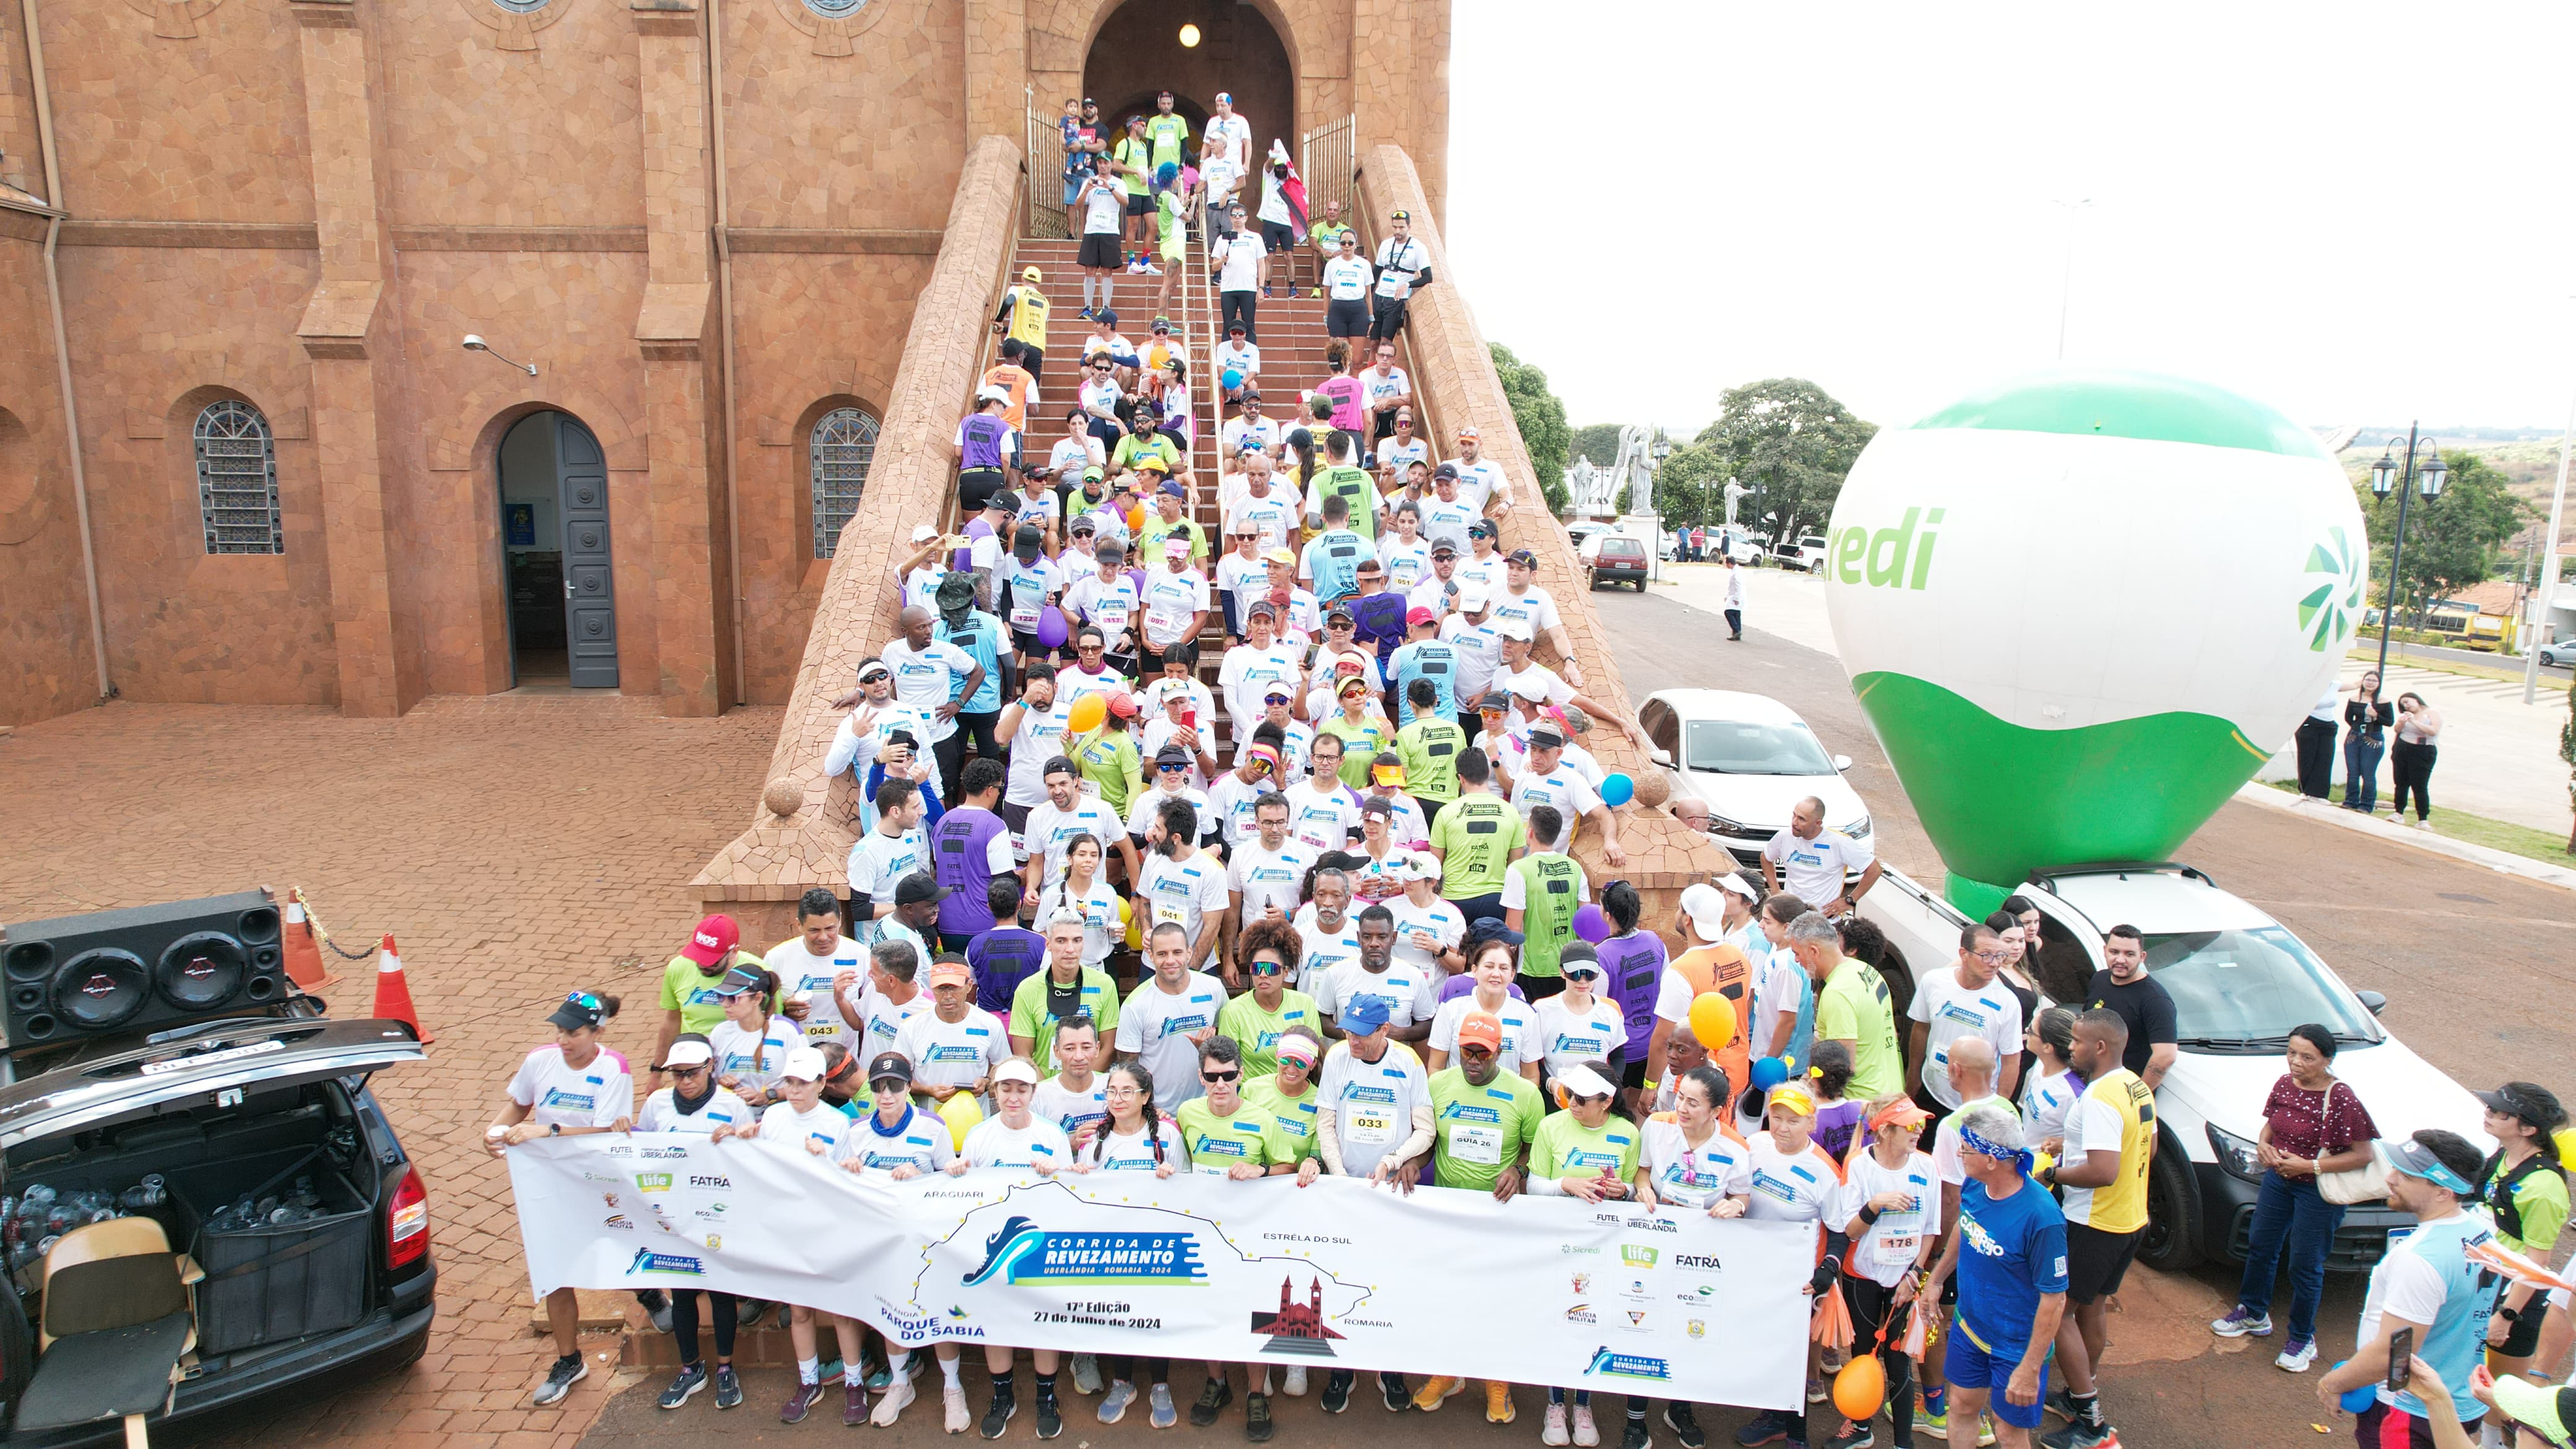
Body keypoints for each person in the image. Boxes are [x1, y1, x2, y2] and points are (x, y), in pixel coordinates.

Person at [2210, 1025, 2382, 1370]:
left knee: (2305, 1264)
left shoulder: (2341, 1098)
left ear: (2327, 1060)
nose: (2296, 1062)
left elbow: (2363, 1154)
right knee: (2261, 1246)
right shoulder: (2285, 1084)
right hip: (2278, 1181)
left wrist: (2312, 1165)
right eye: (2292, 1053)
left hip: (2317, 1191)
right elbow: (2270, 1126)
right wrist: (2263, 1145)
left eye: (2307, 1057)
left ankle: (2302, 1339)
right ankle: (2253, 1312)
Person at [2313, 1132, 2500, 1449]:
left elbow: (2393, 1353)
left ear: (2443, 1192)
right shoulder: (2481, 1231)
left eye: (2408, 1175)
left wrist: (2333, 1384)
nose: (2391, 1178)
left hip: (2408, 1408)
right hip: (2459, 1398)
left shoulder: (2418, 1258)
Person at [494, 991, 633, 1407]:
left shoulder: (614, 1068)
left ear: (597, 1032)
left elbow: (607, 1130)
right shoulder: (539, 1060)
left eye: (572, 1032)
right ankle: (569, 1360)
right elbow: (517, 1107)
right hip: (548, 1181)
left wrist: (549, 1130)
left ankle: (645, 1294)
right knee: (555, 1271)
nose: (563, 1040)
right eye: (559, 1030)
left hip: (599, 1178)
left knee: (626, 1244)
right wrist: (494, 1132)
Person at [1410, 1009, 1547, 1424]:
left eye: (1481, 1053)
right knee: (1450, 1296)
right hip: (1450, 1211)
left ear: (1499, 1052)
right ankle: (1448, 1373)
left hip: (1500, 1214)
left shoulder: (1524, 1094)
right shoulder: (1437, 1085)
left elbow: (1534, 1151)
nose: (1472, 1059)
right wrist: (1414, 1162)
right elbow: (1428, 1140)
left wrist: (1518, 1169)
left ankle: (1496, 1382)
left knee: (1498, 1301)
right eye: (1466, 1050)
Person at [2032, 1010, 2155, 1448]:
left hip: (2094, 1222)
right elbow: (2146, 1143)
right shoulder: (2135, 1084)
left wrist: (2054, 1176)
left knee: (2060, 1311)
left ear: (2100, 1048)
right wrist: (2075, 1143)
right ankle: (2079, 1393)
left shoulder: (2100, 1096)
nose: (2072, 1047)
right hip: (2130, 1220)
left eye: (2079, 1041)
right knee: (2094, 1307)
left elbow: (2103, 1170)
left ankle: (2092, 1423)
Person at [1921, 1107, 2067, 1449]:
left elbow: (2055, 1299)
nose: (1959, 1154)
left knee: (2008, 1430)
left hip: (2017, 1347)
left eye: (1966, 1150)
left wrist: (2030, 1369)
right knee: (1960, 1405)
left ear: (1992, 1160)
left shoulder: (2043, 1218)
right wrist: (1937, 1278)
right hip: (1970, 1327)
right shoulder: (1976, 1185)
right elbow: (1965, 1226)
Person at [1175, 1035, 1294, 1437]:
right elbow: (1179, 1163)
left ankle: (1255, 1394)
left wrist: (1260, 1170)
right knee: (1211, 1311)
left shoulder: (1262, 1119)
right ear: (1201, 1077)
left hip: (1249, 1236)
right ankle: (1217, 1383)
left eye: (1228, 1075)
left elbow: (1287, 1165)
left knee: (1251, 1314)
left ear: (1241, 1075)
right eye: (1213, 1076)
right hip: (1204, 1232)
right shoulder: (1188, 1113)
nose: (1221, 1084)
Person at [631, 1035, 752, 1411]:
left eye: (692, 1073)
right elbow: (643, 1149)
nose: (684, 1081)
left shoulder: (731, 1105)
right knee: (682, 1291)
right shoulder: (656, 1104)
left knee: (720, 1292)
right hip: (674, 1215)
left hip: (717, 1212)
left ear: (710, 1067)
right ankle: (690, 1368)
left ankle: (725, 1368)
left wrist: (735, 1139)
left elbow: (751, 1155)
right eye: (677, 1074)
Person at [1069, 1061, 1191, 1426]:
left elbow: (1187, 1190)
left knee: (1155, 1313)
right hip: (1112, 1247)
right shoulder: (1095, 1143)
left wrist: (1171, 1178)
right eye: (1111, 1092)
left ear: (1146, 1096)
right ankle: (1122, 1382)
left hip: (1156, 1245)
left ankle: (1159, 1385)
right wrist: (1079, 1176)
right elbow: (1082, 1201)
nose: (1117, 1099)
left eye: (1126, 1092)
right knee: (1118, 1313)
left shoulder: (1167, 1137)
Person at [1827, 1097, 1941, 1449]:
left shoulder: (1926, 1166)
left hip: (1906, 1280)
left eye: (1920, 1123)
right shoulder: (1859, 1166)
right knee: (1863, 1352)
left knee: (1899, 1362)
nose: (1919, 1130)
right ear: (1885, 1131)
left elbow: (1931, 1230)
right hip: (1863, 1276)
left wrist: (1915, 1274)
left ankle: (1903, 1443)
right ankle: (1861, 1429)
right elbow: (1850, 1231)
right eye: (1910, 1125)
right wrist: (1876, 1205)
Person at [2476, 1082, 2570, 1385]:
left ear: (2528, 1129)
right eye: (2490, 1107)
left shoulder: (2543, 1188)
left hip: (2514, 1296)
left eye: (2500, 1112)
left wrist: (2506, 1316)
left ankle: (2504, 1436)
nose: (2488, 1113)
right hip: (2487, 1279)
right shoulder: (2505, 1153)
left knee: (2503, 1391)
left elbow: (2537, 1262)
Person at [1908, 923, 2025, 1119]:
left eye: (1999, 956)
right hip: (1931, 1090)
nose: (1995, 963)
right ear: (1964, 954)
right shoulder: (1934, 981)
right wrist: (1913, 1076)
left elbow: (2011, 1060)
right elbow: (1921, 1028)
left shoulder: (2008, 1002)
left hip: (1977, 1106)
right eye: (1986, 955)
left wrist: (1997, 1106)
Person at [1791, 910, 1905, 1102]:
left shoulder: (1838, 993)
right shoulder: (1866, 971)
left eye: (1797, 953)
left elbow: (1843, 1069)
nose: (1796, 960)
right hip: (1890, 1091)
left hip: (1862, 1105)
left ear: (1814, 951)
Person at [1118, 922, 1229, 1111]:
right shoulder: (1135, 1004)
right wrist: (1146, 1109)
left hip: (1207, 1107)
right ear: (1151, 956)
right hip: (1160, 1113)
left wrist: (1209, 1049)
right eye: (1162, 954)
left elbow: (1228, 1042)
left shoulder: (1214, 989)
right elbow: (1128, 1069)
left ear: (1189, 952)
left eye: (1177, 952)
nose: (1170, 960)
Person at [1666, 881, 1755, 1105]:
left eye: (1680, 909)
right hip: (1736, 1069)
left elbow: (1664, 1035)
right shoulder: (1739, 956)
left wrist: (1649, 1084)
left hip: (1695, 1082)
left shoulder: (1681, 970)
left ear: (1687, 919)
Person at [1009, 905, 1122, 1073]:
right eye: (1061, 941)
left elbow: (1108, 1048)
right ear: (1048, 944)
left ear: (1083, 943)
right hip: (1044, 1090)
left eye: (1076, 940)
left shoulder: (1104, 985)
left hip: (1090, 1090)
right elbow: (1023, 1054)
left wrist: (1082, 1086)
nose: (1070, 949)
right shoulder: (1027, 989)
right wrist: (1047, 1090)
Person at [1503, 806, 1587, 995]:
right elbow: (1585, 922)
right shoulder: (1576, 868)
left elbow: (1513, 928)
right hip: (1568, 966)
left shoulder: (1519, 870)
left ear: (1530, 832)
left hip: (1533, 968)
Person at [1427, 936, 1539, 1075]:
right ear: (1475, 970)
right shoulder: (1451, 1008)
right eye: (1489, 966)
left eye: (1503, 968)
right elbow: (1436, 1068)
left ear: (1512, 975)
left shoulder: (1527, 1014)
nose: (1496, 974)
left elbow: (1531, 1075)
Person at [2081, 925, 2176, 1087]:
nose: (2120, 960)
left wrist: (2135, 1095)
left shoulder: (2155, 1000)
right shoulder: (2099, 979)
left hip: (2122, 1093)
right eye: (2114, 952)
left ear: (2142, 957)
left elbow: (2166, 1055)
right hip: (2090, 1084)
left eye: (2129, 954)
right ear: (2105, 951)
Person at [1761, 797, 1879, 918]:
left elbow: (1874, 869)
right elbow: (1766, 857)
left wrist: (1850, 901)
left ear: (1818, 823)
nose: (1794, 822)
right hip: (1790, 916)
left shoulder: (1839, 842)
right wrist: (1775, 890)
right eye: (1794, 815)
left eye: (1802, 819)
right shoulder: (1784, 836)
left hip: (1824, 921)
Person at [705, 965, 799, 1110]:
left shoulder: (788, 1032)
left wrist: (768, 1096)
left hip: (778, 1117)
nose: (725, 1004)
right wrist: (719, 1084)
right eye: (721, 997)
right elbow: (707, 1080)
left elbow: (808, 1084)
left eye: (733, 998)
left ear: (757, 998)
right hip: (731, 1117)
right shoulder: (720, 1033)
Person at [1369, 208, 1432, 342]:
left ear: (1409, 227)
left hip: (1396, 300)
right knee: (1374, 343)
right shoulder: (1386, 245)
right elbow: (1376, 272)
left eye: (1402, 227)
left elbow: (1428, 277)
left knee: (1385, 342)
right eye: (1395, 227)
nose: (1397, 231)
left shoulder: (1418, 248)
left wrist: (1408, 285)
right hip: (1379, 297)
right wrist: (1368, 296)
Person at [2343, 668, 2394, 812]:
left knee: (2368, 773)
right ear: (2363, 681)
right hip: (2354, 737)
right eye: (2368, 680)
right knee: (2353, 772)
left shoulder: (2383, 701)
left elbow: (2390, 722)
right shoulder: (2354, 699)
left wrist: (2376, 716)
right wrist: (2356, 729)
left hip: (2373, 739)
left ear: (2379, 684)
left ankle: (2366, 805)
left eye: (2374, 681)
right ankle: (2350, 801)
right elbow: (2348, 718)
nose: (2370, 683)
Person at [2390, 690, 2442, 827]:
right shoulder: (2406, 716)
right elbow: (2397, 730)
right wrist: (2402, 722)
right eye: (2403, 704)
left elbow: (2433, 731)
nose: (2406, 706)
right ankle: (2399, 813)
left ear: (2416, 699)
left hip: (2424, 750)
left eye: (2407, 702)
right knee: (2401, 782)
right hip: (2404, 748)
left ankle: (2423, 818)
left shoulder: (2431, 712)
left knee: (2420, 785)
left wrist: (2413, 721)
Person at [996, 264, 1053, 386]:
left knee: (1011, 381)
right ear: (1039, 283)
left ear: (1023, 279)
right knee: (1031, 384)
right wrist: (1005, 329)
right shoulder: (1045, 302)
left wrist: (998, 320)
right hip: (1036, 347)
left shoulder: (1017, 290)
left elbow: (1008, 302)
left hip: (1016, 345)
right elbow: (1031, 326)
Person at [1212, 217, 1268, 342]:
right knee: (1227, 325)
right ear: (1230, 218)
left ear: (1246, 217)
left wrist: (1261, 287)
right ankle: (1225, 357)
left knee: (1249, 325)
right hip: (1228, 289)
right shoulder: (1222, 239)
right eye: (1235, 215)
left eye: (1241, 215)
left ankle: (1251, 357)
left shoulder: (1255, 237)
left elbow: (1262, 264)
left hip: (1248, 288)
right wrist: (1222, 260)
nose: (1238, 218)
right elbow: (1214, 266)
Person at [2293, 685, 2341, 801]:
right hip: (2309, 724)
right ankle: (2305, 790)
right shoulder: (2312, 684)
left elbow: (2355, 685)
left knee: (2325, 759)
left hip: (2328, 726)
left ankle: (2319, 794)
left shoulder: (2334, 684)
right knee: (2307, 759)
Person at [1720, 551, 1745, 640]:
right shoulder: (1736, 571)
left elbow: (1738, 585)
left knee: (1729, 612)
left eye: (1727, 564)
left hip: (1737, 595)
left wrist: (1737, 598)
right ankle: (1737, 634)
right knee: (1736, 614)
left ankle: (1737, 630)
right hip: (1736, 594)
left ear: (1730, 563)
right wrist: (1728, 595)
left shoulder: (1736, 572)